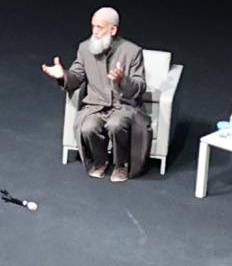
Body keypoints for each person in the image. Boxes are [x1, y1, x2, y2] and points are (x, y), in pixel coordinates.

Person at [49, 11, 165, 182]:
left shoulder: (132, 52)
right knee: (88, 127)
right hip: (95, 105)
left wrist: (123, 80)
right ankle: (100, 160)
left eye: (100, 27)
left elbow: (140, 86)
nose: (95, 31)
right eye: (93, 26)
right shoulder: (85, 48)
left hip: (123, 105)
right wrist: (62, 75)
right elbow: (76, 77)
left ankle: (121, 164)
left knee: (116, 125)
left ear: (112, 30)